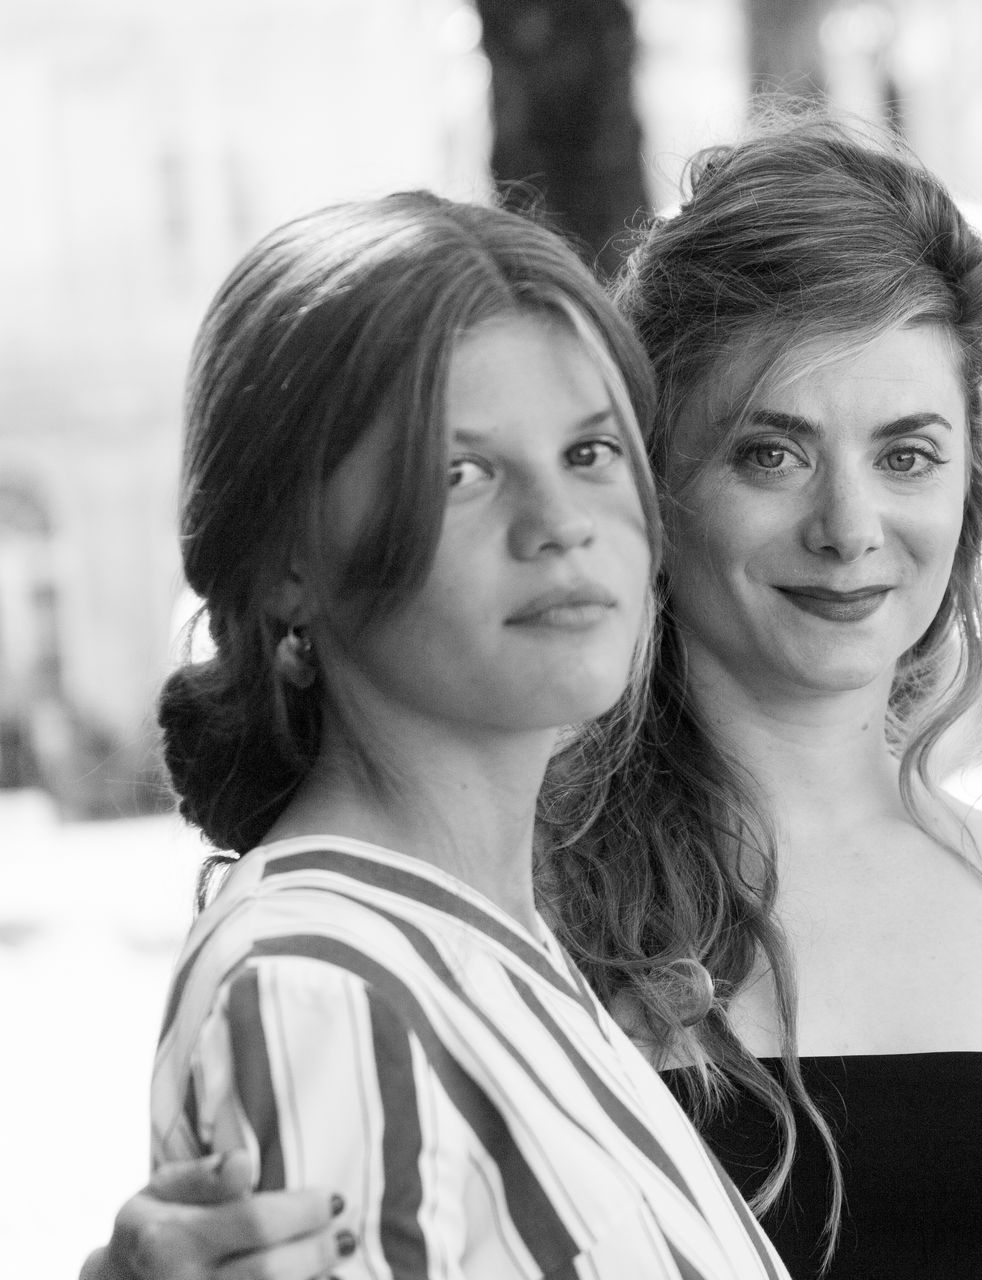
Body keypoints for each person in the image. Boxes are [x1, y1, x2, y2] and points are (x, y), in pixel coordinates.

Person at [102, 121, 982, 1280]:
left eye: (908, 453)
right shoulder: (485, 898)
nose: (849, 527)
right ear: (665, 491)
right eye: (770, 452)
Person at [89, 193, 784, 1280]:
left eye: (591, 450)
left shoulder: (489, 945)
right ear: (288, 567)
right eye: (461, 473)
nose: (561, 522)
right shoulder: (323, 989)